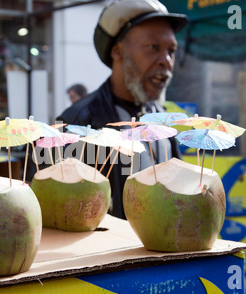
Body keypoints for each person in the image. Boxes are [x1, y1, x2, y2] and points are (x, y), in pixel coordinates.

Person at [56, 0, 188, 219]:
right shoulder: (78, 123)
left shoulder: (160, 119)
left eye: (171, 51)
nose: (166, 61)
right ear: (117, 51)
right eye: (153, 47)